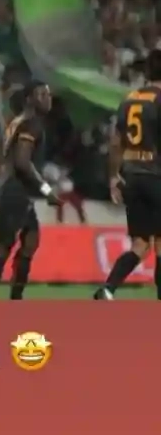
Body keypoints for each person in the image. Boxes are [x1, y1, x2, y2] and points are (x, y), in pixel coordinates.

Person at [0, 81, 58, 300]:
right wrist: (46, 190)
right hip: (15, 191)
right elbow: (22, 162)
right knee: (2, 249)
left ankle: (15, 298)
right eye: (42, 94)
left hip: (15, 192)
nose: (48, 99)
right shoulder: (31, 125)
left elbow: (1, 157)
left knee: (31, 241)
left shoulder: (17, 122)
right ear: (29, 99)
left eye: (48, 94)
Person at [94, 48, 161, 300]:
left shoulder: (129, 99)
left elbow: (115, 142)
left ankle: (108, 289)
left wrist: (114, 177)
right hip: (156, 176)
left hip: (131, 176)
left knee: (140, 244)